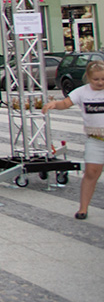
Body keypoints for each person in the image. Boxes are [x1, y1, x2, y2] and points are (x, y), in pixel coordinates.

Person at [43, 59, 104, 220]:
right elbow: (66, 103)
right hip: (96, 139)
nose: (100, 82)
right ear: (88, 78)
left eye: (103, 79)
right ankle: (83, 208)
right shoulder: (82, 92)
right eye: (96, 79)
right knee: (91, 172)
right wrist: (55, 104)